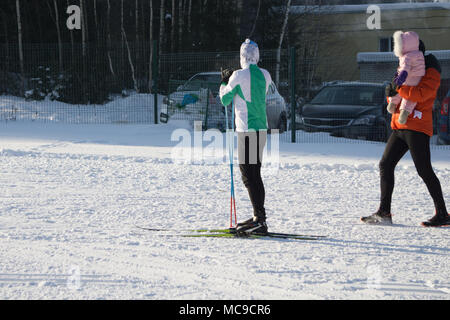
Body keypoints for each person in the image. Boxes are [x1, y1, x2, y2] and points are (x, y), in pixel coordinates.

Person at [362, 40, 449, 227]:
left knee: (424, 170)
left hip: (417, 126)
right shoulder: (405, 65)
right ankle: (384, 212)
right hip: (400, 126)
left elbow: (421, 94)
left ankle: (442, 213)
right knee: (385, 164)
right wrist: (390, 92)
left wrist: (399, 88)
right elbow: (396, 91)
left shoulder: (430, 69)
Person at [219, 39, 272, 234]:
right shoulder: (266, 75)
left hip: (246, 130)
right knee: (255, 173)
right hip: (261, 130)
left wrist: (224, 81)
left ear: (242, 56)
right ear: (257, 56)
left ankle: (260, 218)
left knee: (248, 176)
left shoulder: (238, 75)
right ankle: (259, 217)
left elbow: (225, 99)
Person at [387, 31, 425, 125]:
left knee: (399, 89)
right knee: (410, 96)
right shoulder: (419, 54)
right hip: (417, 78)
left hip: (407, 76)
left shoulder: (407, 56)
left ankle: (393, 104)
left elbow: (405, 68)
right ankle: (405, 112)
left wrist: (401, 77)